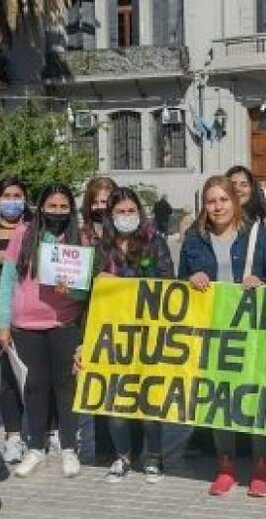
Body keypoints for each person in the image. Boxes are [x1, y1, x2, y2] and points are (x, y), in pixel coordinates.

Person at [178, 175, 266, 497]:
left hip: (253, 332)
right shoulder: (194, 239)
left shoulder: (256, 233)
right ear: (204, 206)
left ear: (234, 202)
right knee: (220, 398)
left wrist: (262, 283)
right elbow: (179, 280)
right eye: (211, 201)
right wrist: (190, 279)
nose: (217, 206)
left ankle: (261, 465)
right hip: (213, 331)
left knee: (257, 396)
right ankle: (225, 466)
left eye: (223, 199)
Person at [0, 183, 85, 479]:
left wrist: (71, 291)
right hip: (25, 327)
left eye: (63, 207)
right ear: (41, 207)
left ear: (71, 210)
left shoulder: (80, 238)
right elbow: (8, 280)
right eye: (52, 206)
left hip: (63, 324)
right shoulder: (23, 234)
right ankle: (36, 446)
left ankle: (70, 447)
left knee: (65, 386)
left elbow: (86, 293)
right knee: (34, 388)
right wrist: (2, 323)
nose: (57, 212)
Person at [96, 187, 174, 483]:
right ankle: (123, 456)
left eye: (131, 211)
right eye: (120, 212)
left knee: (148, 399)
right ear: (110, 215)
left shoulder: (155, 242)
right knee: (116, 402)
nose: (126, 217)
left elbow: (168, 281)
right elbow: (87, 292)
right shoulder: (102, 248)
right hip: (113, 334)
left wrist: (128, 284)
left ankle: (154, 457)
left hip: (148, 332)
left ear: (139, 213)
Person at [0, 177, 32, 464]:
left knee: (38, 373)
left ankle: (46, 431)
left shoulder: (34, 229)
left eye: (17, 195)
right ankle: (13, 435)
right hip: (0, 309)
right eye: (6, 195)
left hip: (33, 309)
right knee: (9, 374)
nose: (12, 200)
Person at [78, 175, 118, 462]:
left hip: (126, 315)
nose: (102, 207)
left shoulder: (128, 234)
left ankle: (131, 447)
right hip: (92, 315)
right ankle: (104, 447)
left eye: (108, 201)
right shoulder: (81, 236)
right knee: (99, 381)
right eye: (98, 201)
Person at [80, 176, 118, 248]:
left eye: (104, 202)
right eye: (94, 202)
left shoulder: (124, 235)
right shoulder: (81, 236)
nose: (99, 206)